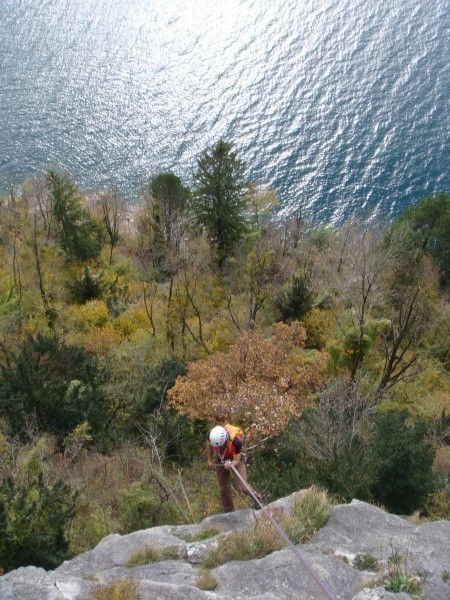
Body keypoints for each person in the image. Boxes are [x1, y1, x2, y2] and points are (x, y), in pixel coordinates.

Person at [206, 424, 261, 512]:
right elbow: (209, 443)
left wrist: (230, 464)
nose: (219, 447)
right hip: (221, 457)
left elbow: (236, 460)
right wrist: (210, 459)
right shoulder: (211, 435)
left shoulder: (236, 441)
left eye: (221, 445)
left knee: (242, 487)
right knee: (223, 488)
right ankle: (229, 512)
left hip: (235, 456)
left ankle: (258, 499)